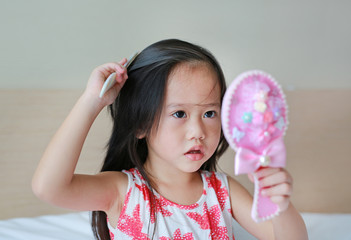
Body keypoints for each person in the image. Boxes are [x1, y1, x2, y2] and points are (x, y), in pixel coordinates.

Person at [32, 39, 308, 240]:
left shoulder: (222, 191)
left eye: (210, 112)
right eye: (179, 113)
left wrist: (280, 206)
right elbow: (49, 188)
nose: (197, 131)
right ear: (140, 123)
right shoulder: (124, 192)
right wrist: (92, 101)